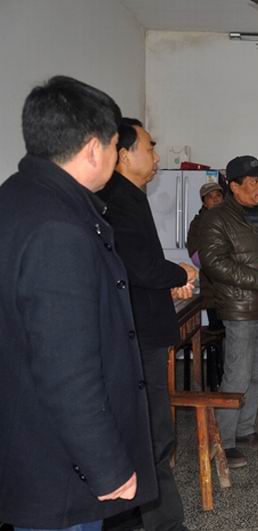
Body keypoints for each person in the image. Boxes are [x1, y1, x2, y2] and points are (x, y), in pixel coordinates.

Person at [0, 76, 157, 530]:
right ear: (93, 149)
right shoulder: (59, 229)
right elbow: (66, 368)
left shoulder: (16, 198)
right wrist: (107, 465)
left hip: (28, 444)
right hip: (63, 470)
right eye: (113, 146)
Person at [97, 118, 196, 531]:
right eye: (150, 147)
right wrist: (179, 274)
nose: (156, 156)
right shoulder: (116, 200)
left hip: (143, 327)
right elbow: (139, 265)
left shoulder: (128, 195)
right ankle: (160, 523)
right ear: (124, 155)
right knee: (152, 434)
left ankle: (139, 519)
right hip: (135, 335)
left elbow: (138, 267)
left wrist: (167, 282)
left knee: (151, 433)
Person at [197, 155, 258, 468]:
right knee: (236, 375)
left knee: (257, 372)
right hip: (239, 308)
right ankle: (224, 441)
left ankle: (245, 430)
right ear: (234, 186)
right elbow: (215, 264)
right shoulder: (216, 219)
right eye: (253, 182)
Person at [187, 181, 225, 330]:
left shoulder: (233, 218)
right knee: (216, 330)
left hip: (235, 287)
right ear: (204, 202)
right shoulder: (198, 223)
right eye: (210, 197)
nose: (215, 199)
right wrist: (218, 266)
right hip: (211, 284)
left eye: (218, 195)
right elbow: (195, 254)